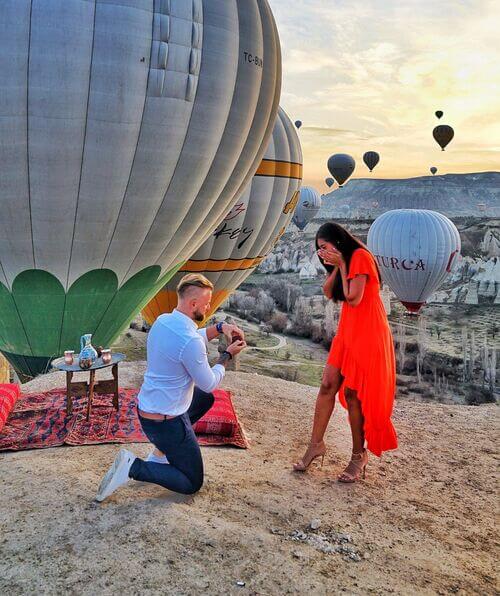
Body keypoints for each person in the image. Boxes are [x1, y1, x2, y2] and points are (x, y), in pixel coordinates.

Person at [96, 274, 247, 501]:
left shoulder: (163, 321)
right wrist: (227, 355)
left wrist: (220, 327)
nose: (209, 306)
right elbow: (209, 382)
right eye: (206, 303)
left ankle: (159, 454)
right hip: (167, 424)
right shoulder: (190, 342)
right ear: (193, 304)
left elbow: (190, 338)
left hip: (148, 411)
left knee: (204, 399)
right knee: (191, 482)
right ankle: (133, 467)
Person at [293, 222, 397, 482]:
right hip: (348, 333)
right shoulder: (345, 263)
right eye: (318, 250)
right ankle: (315, 445)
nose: (321, 253)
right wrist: (336, 266)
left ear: (337, 243)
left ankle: (357, 456)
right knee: (327, 384)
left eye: (324, 247)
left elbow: (354, 298)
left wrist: (341, 264)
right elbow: (329, 291)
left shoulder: (360, 257)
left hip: (369, 333)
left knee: (354, 395)